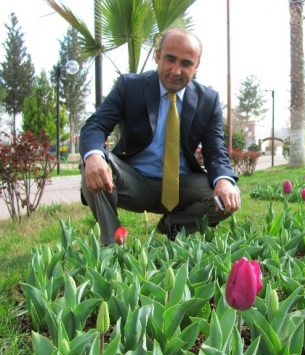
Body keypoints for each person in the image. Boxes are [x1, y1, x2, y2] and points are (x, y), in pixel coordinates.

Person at [79, 28, 241, 245]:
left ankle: (173, 224)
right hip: (133, 181)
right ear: (158, 56)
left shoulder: (208, 99)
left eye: (185, 63)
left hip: (182, 185)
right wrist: (94, 157)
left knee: (228, 196)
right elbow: (96, 125)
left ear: (197, 65)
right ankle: (112, 243)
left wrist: (223, 180)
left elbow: (215, 150)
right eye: (170, 59)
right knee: (95, 162)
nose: (176, 70)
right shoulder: (130, 86)